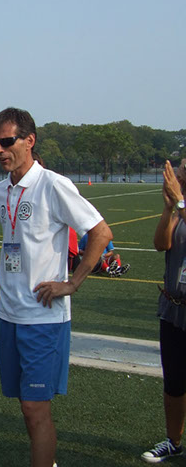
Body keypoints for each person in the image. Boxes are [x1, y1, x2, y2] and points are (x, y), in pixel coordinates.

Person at [0, 107, 112, 467]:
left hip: (43, 318)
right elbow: (17, 240)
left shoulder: (53, 185)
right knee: (24, 404)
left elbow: (101, 232)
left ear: (29, 140)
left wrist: (72, 283)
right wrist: (2, 272)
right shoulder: (0, 190)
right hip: (8, 314)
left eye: (7, 141)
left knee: (35, 407)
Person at [141, 159, 186, 463]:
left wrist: (179, 201)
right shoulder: (179, 209)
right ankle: (174, 441)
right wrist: (169, 209)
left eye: (180, 172)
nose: (176, 176)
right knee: (174, 381)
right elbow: (160, 244)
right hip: (174, 308)